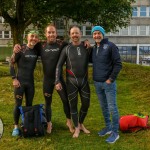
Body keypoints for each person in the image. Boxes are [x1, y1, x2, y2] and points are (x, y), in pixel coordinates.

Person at [13, 24, 74, 134]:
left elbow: (74, 43)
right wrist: (17, 46)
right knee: (48, 103)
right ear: (45, 34)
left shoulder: (62, 44)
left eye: (53, 32)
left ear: (56, 33)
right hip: (47, 81)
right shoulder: (40, 45)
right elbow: (27, 45)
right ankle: (49, 123)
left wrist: (86, 43)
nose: (51, 34)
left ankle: (69, 122)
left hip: (58, 79)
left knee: (65, 101)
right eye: (49, 32)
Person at [55, 26, 91, 138]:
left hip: (84, 81)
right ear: (70, 35)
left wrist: (88, 42)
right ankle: (76, 128)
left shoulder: (87, 47)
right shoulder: (66, 49)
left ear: (80, 34)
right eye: (72, 33)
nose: (75, 35)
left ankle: (80, 124)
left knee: (86, 104)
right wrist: (57, 80)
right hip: (71, 82)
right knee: (73, 106)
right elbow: (59, 66)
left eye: (77, 33)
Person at [90, 26, 122, 143]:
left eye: (99, 33)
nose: (96, 35)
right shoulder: (94, 48)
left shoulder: (111, 46)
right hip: (97, 83)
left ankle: (115, 132)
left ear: (103, 34)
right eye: (94, 34)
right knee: (104, 107)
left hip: (108, 83)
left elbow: (118, 64)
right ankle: (108, 127)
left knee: (112, 107)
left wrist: (111, 79)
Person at [10, 30, 39, 136]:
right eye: (32, 36)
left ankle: (26, 124)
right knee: (18, 104)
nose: (33, 38)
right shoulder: (20, 49)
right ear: (27, 37)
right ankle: (16, 127)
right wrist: (14, 78)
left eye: (36, 37)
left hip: (30, 83)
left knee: (29, 105)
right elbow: (11, 63)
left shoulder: (36, 51)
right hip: (20, 83)